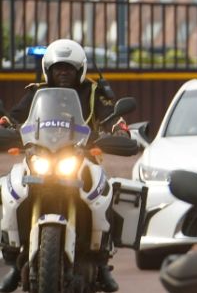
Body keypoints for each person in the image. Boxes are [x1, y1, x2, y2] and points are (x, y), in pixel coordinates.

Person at [0, 39, 125, 293]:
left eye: (69, 69)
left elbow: (110, 115)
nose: (63, 73)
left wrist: (118, 129)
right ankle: (14, 261)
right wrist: (4, 124)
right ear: (49, 70)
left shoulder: (92, 92)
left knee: (103, 190)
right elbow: (15, 116)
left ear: (80, 70)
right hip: (40, 154)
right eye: (58, 69)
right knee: (11, 188)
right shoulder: (36, 92)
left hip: (82, 156)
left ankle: (100, 262)